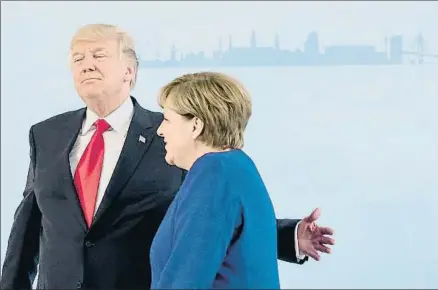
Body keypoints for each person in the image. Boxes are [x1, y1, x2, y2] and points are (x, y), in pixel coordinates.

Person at [0, 24, 335, 290]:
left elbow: (208, 216)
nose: (86, 64)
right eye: (77, 57)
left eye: (98, 55)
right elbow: (28, 226)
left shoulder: (176, 137)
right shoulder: (45, 135)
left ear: (129, 71)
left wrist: (287, 237)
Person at [150, 72, 280, 288]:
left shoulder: (212, 172)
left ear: (195, 126)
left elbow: (187, 277)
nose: (160, 130)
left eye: (167, 120)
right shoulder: (238, 166)